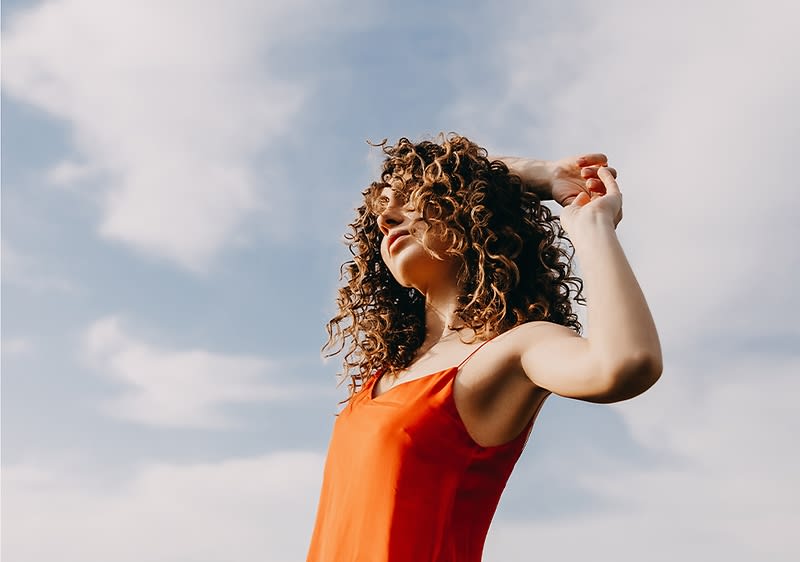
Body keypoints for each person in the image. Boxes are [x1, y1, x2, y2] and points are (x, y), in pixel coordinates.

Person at [306, 134, 662, 561]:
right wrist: (540, 172)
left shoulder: (515, 349)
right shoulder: (383, 377)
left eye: (410, 200)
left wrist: (590, 224)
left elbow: (626, 363)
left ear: (467, 207)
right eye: (382, 214)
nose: (387, 220)